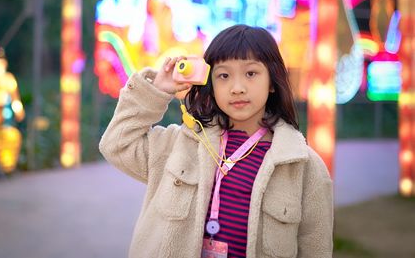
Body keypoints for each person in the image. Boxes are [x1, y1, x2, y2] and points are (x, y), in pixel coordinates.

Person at [99, 24, 333, 258]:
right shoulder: (179, 145)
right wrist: (157, 90)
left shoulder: (304, 168)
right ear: (211, 84)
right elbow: (117, 144)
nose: (237, 88)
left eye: (251, 73)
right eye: (224, 75)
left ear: (272, 81)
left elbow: (316, 250)